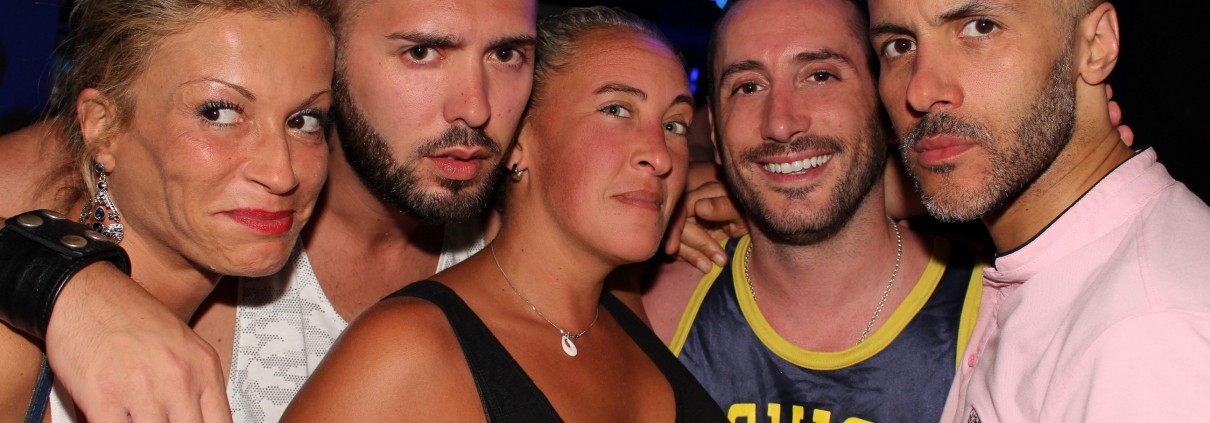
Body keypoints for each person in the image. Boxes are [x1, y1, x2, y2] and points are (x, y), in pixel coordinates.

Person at [281, 7, 725, 421]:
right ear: (518, 141)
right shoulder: (405, 348)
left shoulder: (623, 303)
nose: (660, 156)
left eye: (674, 125)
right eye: (615, 110)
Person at [640, 0, 985, 421]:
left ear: (885, 106)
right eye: (748, 87)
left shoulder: (995, 318)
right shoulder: (653, 313)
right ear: (714, 129)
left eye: (820, 76)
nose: (781, 123)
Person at [866, 0, 1210, 420]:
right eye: (899, 46)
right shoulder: (1063, 268)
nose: (919, 92)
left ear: (1096, 44)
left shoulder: (1149, 337)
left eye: (980, 27)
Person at [0, 0, 335, 421]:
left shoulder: (282, 345)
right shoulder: (13, 352)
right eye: (218, 112)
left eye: (305, 121)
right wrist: (61, 284)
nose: (281, 174)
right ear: (103, 126)